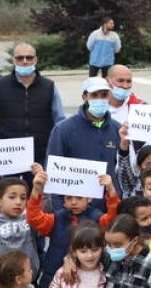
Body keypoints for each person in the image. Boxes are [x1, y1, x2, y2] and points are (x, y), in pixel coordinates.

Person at [26, 164, 120, 288]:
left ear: (89, 198)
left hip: (87, 282)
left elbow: (114, 220)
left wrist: (111, 190)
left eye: (79, 198)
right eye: (69, 198)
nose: (73, 202)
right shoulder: (56, 218)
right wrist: (36, 189)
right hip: (54, 280)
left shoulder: (98, 219)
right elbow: (34, 218)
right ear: (63, 199)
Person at [0, 42, 64, 170]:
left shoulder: (49, 87)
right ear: (13, 61)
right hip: (7, 158)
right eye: (19, 58)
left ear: (36, 60)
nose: (24, 61)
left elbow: (60, 122)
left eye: (29, 58)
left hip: (40, 157)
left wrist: (57, 150)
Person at [46, 77, 122, 205]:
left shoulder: (117, 129)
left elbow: (123, 170)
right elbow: (53, 174)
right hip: (77, 207)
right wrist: (60, 209)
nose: (100, 99)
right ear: (84, 96)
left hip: (110, 206)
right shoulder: (64, 130)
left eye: (104, 95)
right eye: (94, 95)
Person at [0, 177, 41, 282]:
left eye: (23, 198)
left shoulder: (30, 218)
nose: (18, 202)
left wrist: (37, 188)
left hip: (27, 282)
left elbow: (41, 205)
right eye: (12, 197)